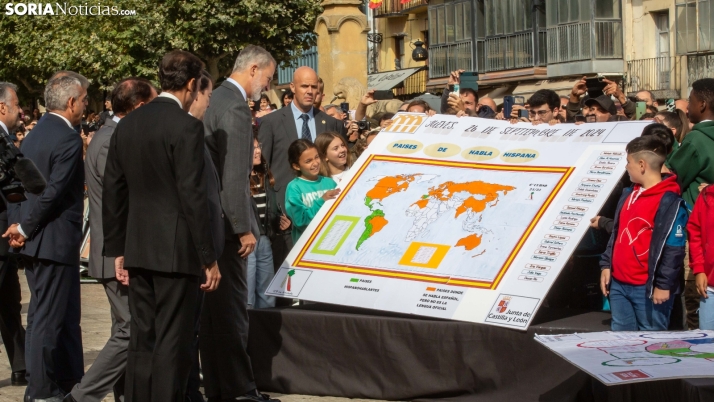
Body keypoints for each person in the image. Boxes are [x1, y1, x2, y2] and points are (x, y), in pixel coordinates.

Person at [102, 51, 221, 401]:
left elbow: (114, 190)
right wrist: (208, 256)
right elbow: (192, 195)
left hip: (138, 248)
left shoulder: (128, 125)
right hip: (176, 252)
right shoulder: (186, 126)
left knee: (143, 339)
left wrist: (118, 249)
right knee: (173, 341)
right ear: (190, 84)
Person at [65, 78, 156, 402]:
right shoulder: (110, 139)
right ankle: (82, 396)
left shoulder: (116, 135)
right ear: (139, 106)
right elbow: (120, 202)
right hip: (116, 253)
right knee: (129, 329)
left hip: (121, 252)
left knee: (127, 328)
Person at [2, 74, 87, 401]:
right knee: (47, 320)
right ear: (70, 102)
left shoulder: (34, 135)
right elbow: (53, 193)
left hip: (41, 241)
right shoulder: (67, 139)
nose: (85, 106)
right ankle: (40, 390)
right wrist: (23, 228)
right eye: (82, 100)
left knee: (62, 318)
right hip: (52, 240)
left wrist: (19, 226)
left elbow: (18, 188)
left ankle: (68, 382)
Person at [202, 45, 278, 402]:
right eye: (268, 77)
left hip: (212, 221)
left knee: (215, 316)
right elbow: (233, 174)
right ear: (252, 69)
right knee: (231, 312)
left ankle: (221, 386)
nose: (267, 85)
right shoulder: (233, 106)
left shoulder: (213, 99)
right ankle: (241, 389)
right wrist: (242, 226)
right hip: (228, 227)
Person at [258, 66, 346, 276]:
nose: (309, 91)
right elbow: (264, 168)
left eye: (313, 87)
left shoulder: (331, 123)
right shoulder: (271, 122)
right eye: (304, 86)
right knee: (286, 280)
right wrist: (273, 213)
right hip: (286, 218)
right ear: (292, 87)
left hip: (324, 215)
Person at [599, 135, 688, 331]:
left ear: (641, 165)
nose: (626, 167)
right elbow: (617, 233)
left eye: (628, 162)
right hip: (619, 284)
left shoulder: (670, 202)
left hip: (647, 288)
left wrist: (663, 285)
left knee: (651, 344)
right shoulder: (628, 194)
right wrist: (607, 264)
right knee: (620, 340)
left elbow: (674, 249)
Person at [187, 69, 224, 402]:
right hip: (189, 254)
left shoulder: (197, 132)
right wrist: (207, 256)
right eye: (209, 96)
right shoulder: (186, 133)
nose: (210, 104)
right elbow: (194, 200)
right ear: (194, 92)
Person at [665, 78, 714, 329]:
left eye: (691, 101)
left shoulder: (696, 139)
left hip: (697, 224)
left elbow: (675, 175)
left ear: (702, 104)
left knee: (695, 293)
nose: (686, 108)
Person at [0, 82, 26, 387]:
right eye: (16, 104)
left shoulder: (10, 140)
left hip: (7, 236)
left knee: (9, 303)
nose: (20, 111)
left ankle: (20, 365)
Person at [285, 139, 340, 243]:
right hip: (307, 247)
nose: (315, 163)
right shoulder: (294, 187)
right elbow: (300, 222)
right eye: (308, 161)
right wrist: (322, 201)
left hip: (332, 242)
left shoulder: (329, 182)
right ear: (296, 166)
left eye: (317, 157)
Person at [248, 133, 280, 309]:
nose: (257, 151)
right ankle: (247, 333)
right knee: (247, 294)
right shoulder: (238, 179)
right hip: (248, 240)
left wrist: (280, 222)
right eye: (252, 148)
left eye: (258, 146)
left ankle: (264, 332)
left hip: (265, 239)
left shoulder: (264, 176)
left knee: (267, 293)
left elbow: (270, 210)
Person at [688, 183, 714, 329]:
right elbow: (695, 231)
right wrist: (699, 269)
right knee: (706, 344)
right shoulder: (707, 195)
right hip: (710, 287)